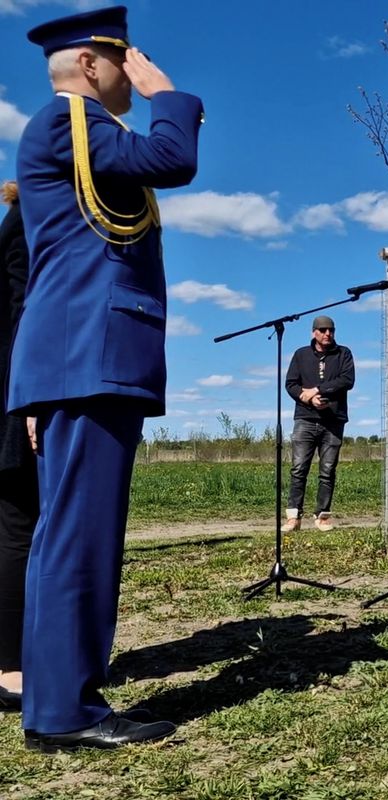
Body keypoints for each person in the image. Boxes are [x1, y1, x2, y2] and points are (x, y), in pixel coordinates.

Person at [12, 5, 203, 751]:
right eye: (126, 60)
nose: (135, 70)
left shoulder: (79, 133)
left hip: (83, 358)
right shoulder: (70, 124)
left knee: (74, 534)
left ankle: (61, 698)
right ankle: (64, 713)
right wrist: (170, 94)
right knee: (79, 537)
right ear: (92, 64)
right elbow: (172, 161)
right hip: (85, 354)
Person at [0, 181, 38, 712]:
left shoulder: (16, 219)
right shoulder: (33, 224)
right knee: (19, 525)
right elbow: (27, 312)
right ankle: (10, 668)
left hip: (14, 385)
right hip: (16, 388)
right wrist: (34, 395)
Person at [283, 315, 355, 532]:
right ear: (314, 332)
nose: (327, 334)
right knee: (298, 469)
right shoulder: (301, 355)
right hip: (305, 419)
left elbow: (347, 380)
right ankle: (293, 517)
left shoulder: (343, 353)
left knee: (327, 470)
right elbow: (291, 384)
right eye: (323, 330)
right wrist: (308, 398)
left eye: (331, 330)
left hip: (333, 420)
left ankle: (322, 517)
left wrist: (318, 390)